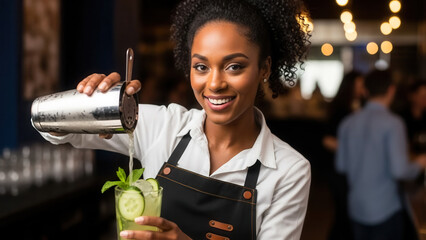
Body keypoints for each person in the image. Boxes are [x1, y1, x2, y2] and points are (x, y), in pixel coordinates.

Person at [36, 0, 311, 239]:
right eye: (201, 67)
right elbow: (55, 128)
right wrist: (90, 102)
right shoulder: (163, 126)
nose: (214, 84)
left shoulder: (288, 170)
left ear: (265, 68)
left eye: (234, 66)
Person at [336, 69, 426, 240]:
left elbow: (341, 165)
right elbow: (400, 171)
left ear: (365, 91)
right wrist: (420, 163)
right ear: (391, 90)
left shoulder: (347, 123)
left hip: (356, 208)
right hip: (385, 209)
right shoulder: (394, 123)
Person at [322, 70, 366, 240]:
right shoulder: (340, 109)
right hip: (338, 169)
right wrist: (351, 148)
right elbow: (327, 140)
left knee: (350, 212)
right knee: (344, 212)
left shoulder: (363, 107)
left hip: (355, 170)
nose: (363, 89)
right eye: (360, 85)